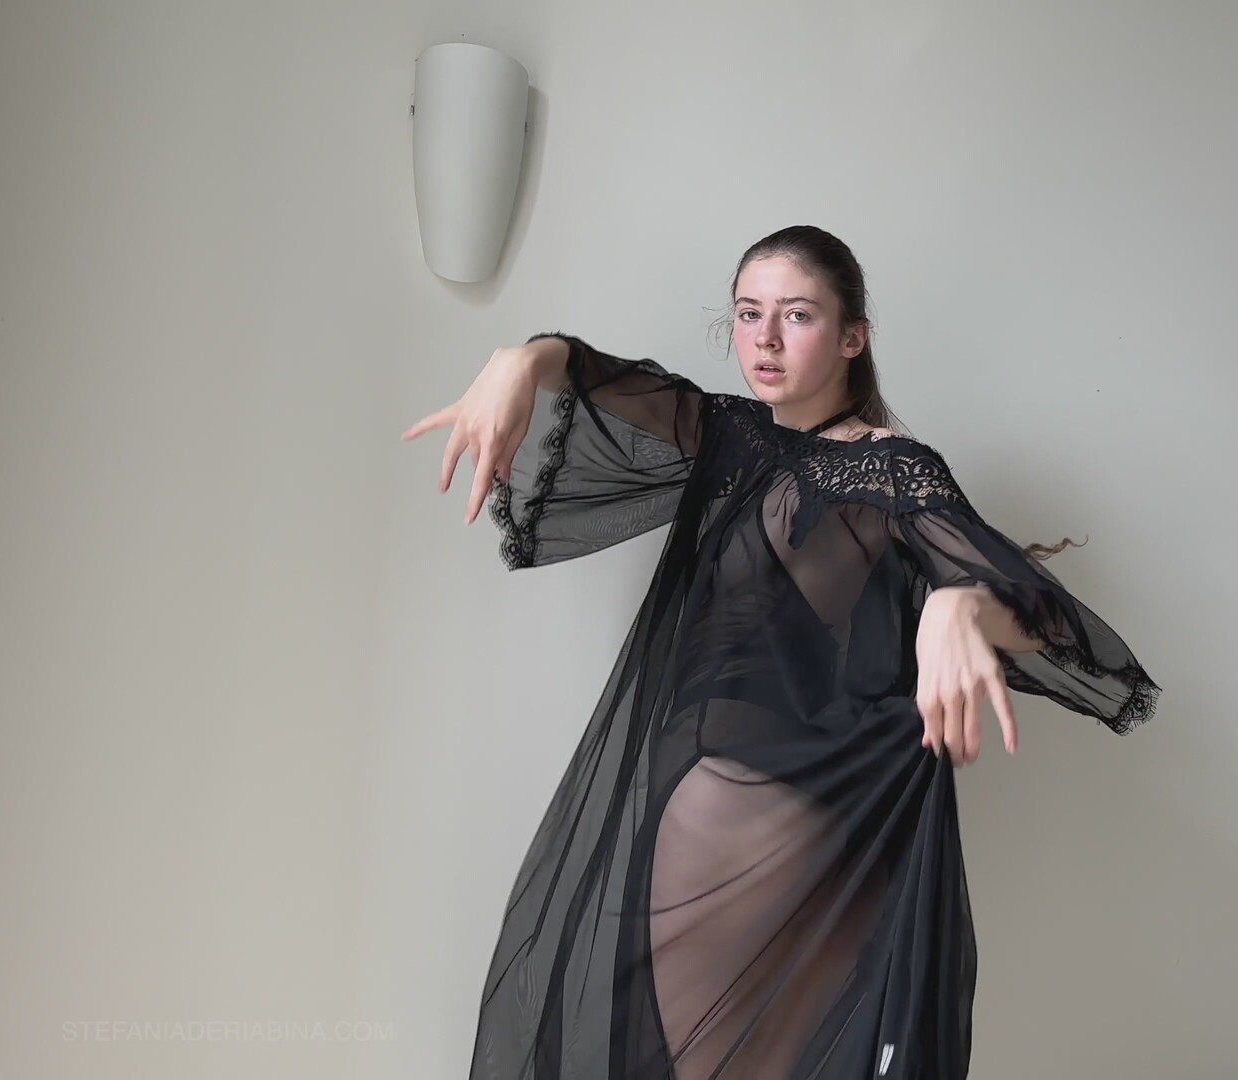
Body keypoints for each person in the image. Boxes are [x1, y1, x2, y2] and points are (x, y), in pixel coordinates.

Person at [402, 225, 1160, 1079]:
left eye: (796, 315)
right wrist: (520, 358)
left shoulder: (892, 470)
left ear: (852, 337)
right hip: (754, 816)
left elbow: (1043, 615)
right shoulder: (726, 434)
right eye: (747, 313)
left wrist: (962, 600)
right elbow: (594, 375)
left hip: (762, 815)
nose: (764, 338)